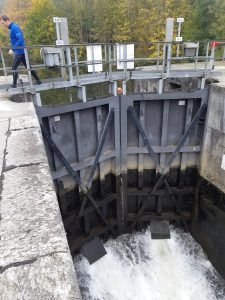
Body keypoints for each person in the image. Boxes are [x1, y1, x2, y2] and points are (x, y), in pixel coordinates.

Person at [0, 15, 41, 88]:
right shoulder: (12, 28)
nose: (3, 25)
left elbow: (21, 40)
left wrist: (13, 49)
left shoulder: (14, 28)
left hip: (20, 52)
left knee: (14, 67)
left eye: (3, 23)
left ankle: (14, 85)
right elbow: (17, 40)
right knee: (28, 66)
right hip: (21, 51)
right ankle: (38, 80)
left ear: (7, 21)